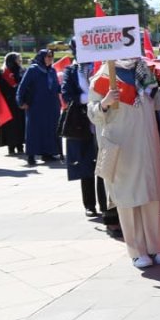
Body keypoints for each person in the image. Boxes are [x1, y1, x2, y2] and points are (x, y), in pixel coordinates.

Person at [90, 57, 160, 268]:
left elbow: (157, 102)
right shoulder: (104, 75)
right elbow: (92, 113)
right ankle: (136, 251)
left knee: (150, 197)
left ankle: (155, 248)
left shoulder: (144, 72)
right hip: (123, 147)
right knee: (128, 199)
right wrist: (104, 104)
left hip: (148, 147)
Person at [60, 49, 107, 219]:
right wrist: (90, 98)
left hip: (103, 118)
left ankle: (105, 204)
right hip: (81, 122)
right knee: (85, 164)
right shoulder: (71, 70)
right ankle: (89, 204)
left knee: (104, 163)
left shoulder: (103, 66)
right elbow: (67, 94)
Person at [17, 49, 62, 165]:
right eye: (47, 56)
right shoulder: (33, 69)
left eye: (51, 56)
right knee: (34, 130)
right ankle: (31, 156)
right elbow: (22, 86)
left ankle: (48, 154)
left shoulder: (52, 70)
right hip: (36, 105)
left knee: (50, 129)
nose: (49, 58)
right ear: (41, 57)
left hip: (52, 105)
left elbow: (56, 87)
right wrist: (20, 101)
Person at [0, 53, 27, 155]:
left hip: (19, 102)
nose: (20, 62)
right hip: (7, 103)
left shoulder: (22, 71)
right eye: (18, 59)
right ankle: (11, 146)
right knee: (9, 125)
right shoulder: (1, 72)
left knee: (20, 124)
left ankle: (20, 145)